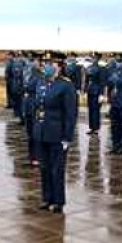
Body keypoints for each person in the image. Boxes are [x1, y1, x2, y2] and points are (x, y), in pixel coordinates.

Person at [33, 52, 77, 213]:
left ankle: (58, 201)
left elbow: (70, 113)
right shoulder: (41, 83)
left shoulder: (66, 85)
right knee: (44, 168)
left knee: (56, 169)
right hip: (42, 131)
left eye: (50, 63)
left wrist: (67, 137)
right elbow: (37, 107)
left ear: (59, 66)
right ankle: (47, 198)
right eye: (45, 63)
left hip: (57, 133)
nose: (47, 66)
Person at [23, 52, 45, 166]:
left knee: (36, 134)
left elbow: (40, 94)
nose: (33, 63)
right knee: (30, 134)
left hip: (35, 109)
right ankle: (32, 157)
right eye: (32, 60)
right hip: (28, 107)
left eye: (35, 61)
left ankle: (37, 158)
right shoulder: (31, 74)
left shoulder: (41, 76)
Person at [84, 52, 108, 135]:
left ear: (98, 59)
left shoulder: (101, 69)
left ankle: (96, 128)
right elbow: (86, 80)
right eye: (92, 58)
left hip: (97, 91)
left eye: (95, 58)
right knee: (90, 110)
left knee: (96, 110)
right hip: (90, 91)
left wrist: (102, 94)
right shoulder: (89, 67)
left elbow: (102, 82)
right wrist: (84, 90)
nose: (93, 59)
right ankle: (91, 127)